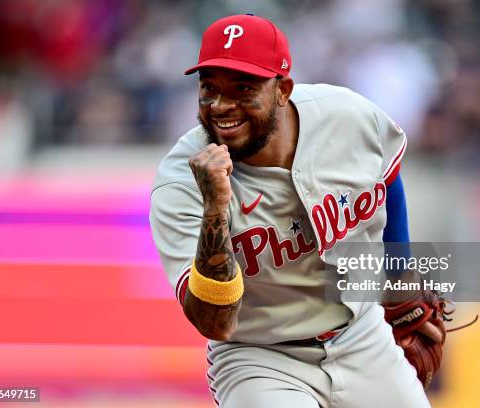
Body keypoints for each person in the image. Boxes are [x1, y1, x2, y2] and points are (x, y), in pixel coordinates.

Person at [150, 14, 444, 408]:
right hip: (260, 357)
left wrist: (399, 284)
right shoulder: (180, 183)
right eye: (209, 89)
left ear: (282, 89)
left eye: (243, 88)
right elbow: (214, 323)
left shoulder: (347, 117)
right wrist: (216, 209)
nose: (221, 106)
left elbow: (388, 176)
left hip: (360, 336)